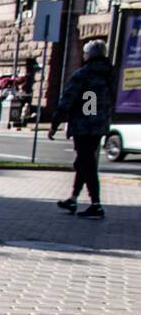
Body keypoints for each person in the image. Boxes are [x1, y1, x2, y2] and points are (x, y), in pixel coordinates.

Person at [51, 40, 114, 220]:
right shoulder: (110, 74)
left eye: (85, 53)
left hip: (83, 126)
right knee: (84, 162)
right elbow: (96, 102)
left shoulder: (84, 74)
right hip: (99, 125)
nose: (83, 56)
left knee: (86, 163)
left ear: (90, 55)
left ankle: (96, 204)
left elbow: (68, 100)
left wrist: (56, 122)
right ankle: (73, 198)